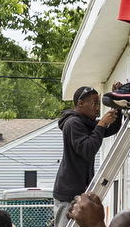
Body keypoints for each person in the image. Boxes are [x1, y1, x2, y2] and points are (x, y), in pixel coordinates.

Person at [51, 87, 121, 219]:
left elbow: (113, 129)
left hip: (80, 193)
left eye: (98, 104)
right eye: (94, 103)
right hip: (68, 196)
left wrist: (117, 101)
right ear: (80, 103)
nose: (98, 108)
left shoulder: (85, 123)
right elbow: (88, 151)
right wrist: (101, 125)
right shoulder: (73, 123)